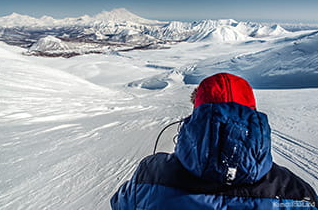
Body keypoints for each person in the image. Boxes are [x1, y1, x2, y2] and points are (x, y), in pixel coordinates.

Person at [111, 73, 318, 209]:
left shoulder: (150, 175)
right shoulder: (297, 192)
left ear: (197, 115)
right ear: (251, 114)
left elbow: (119, 203)